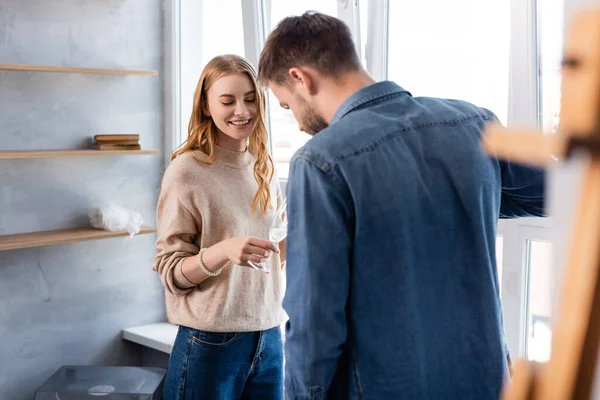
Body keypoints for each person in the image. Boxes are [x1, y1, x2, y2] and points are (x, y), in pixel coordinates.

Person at [258, 12, 545, 400]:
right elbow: (557, 193)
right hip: (485, 383)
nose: (297, 124)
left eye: (287, 106)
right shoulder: (473, 123)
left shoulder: (320, 161)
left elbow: (314, 323)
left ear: (300, 78)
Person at [153, 54, 287, 400]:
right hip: (211, 342)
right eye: (227, 101)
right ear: (206, 106)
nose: (241, 111)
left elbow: (269, 260)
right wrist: (223, 251)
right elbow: (170, 272)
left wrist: (295, 245)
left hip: (270, 335)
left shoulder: (263, 167)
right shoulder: (187, 171)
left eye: (250, 99)